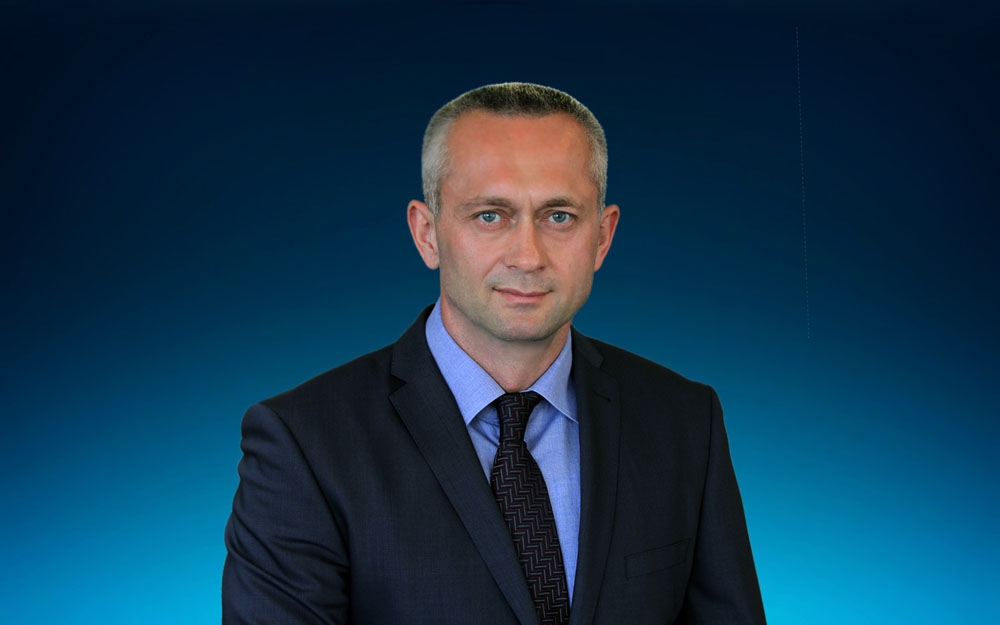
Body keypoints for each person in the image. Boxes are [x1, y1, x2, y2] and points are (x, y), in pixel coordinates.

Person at [222, 82, 765, 624]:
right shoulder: (304, 445)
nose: (527, 256)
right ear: (427, 233)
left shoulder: (685, 421)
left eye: (559, 216)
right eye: (490, 215)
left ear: (602, 237)